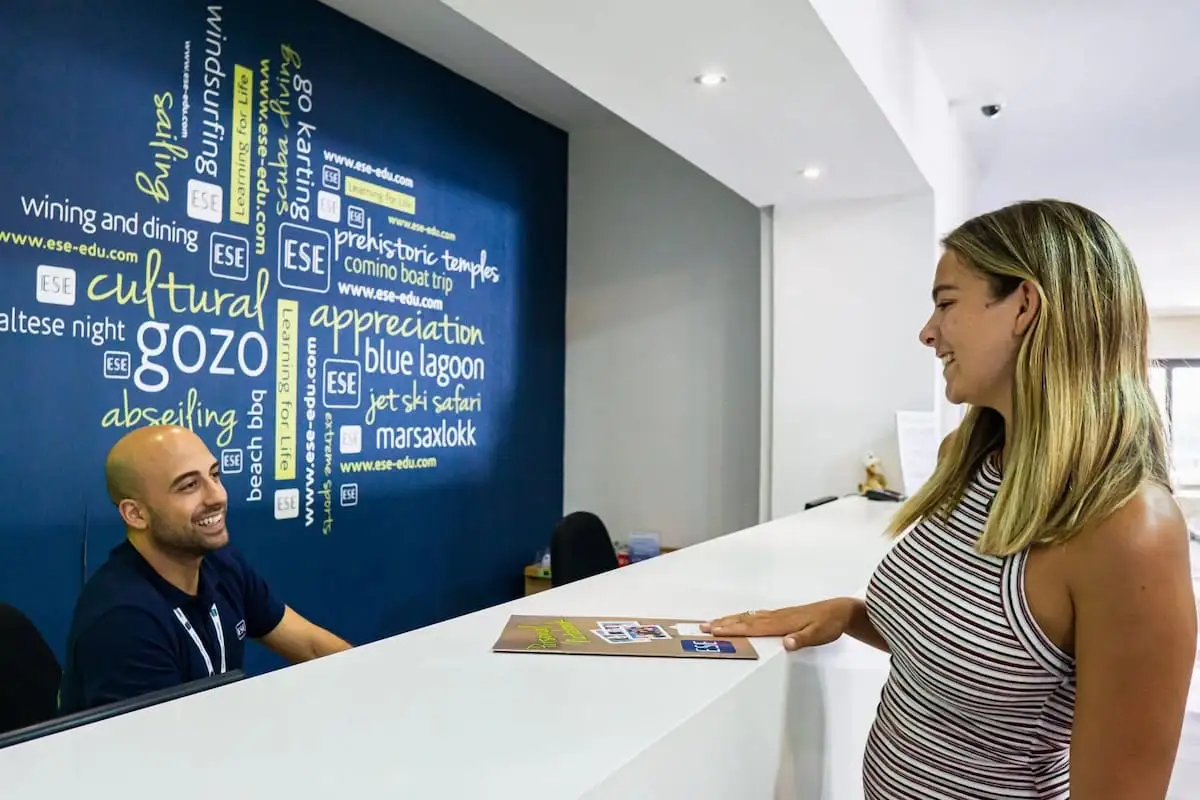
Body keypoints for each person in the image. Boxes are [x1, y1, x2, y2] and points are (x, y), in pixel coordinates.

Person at [703, 200, 1197, 798]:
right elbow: (972, 648)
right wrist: (849, 613)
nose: (927, 332)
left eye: (946, 303)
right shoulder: (965, 460)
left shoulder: (1131, 530)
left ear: (1024, 306)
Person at [59, 425, 352, 714]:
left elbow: (311, 646)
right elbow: (161, 741)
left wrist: (371, 684)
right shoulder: (124, 620)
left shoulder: (221, 563)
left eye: (214, 475)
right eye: (189, 485)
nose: (217, 497)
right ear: (136, 514)